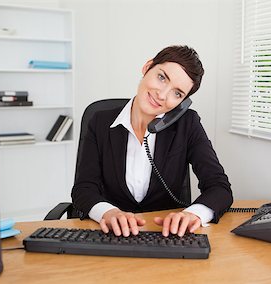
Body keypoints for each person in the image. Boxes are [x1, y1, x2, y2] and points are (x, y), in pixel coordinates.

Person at [72, 45, 233, 237]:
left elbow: (219, 186)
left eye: (177, 93)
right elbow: (83, 188)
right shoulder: (100, 121)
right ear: (147, 67)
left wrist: (194, 214)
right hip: (109, 235)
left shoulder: (187, 124)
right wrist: (107, 212)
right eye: (162, 77)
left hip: (166, 236)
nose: (162, 95)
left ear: (181, 104)